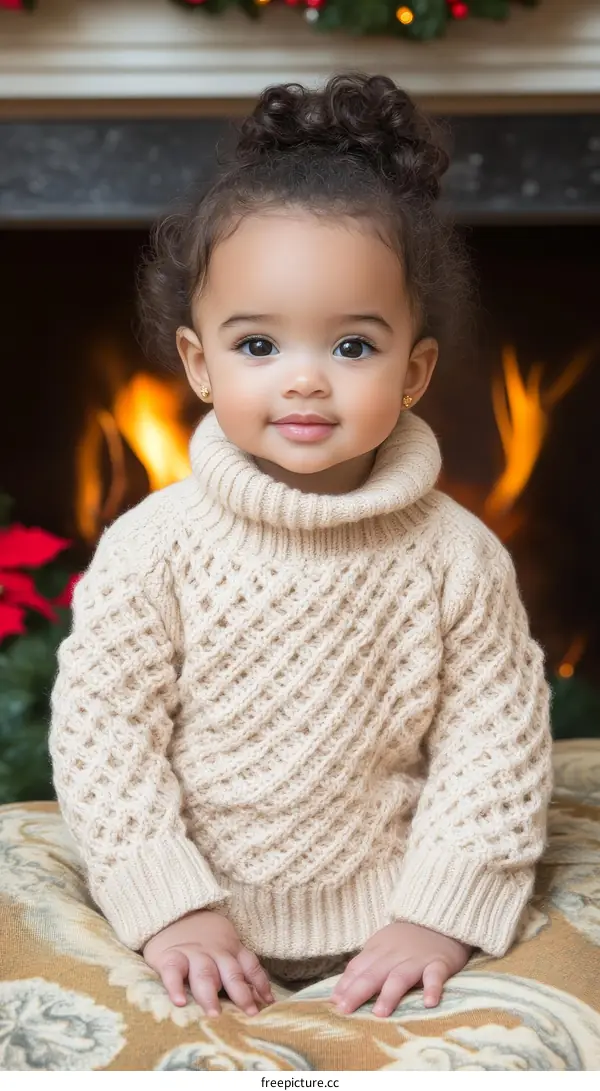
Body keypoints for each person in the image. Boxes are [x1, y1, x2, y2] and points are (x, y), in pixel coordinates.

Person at [49, 74, 552, 1022]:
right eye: (258, 345)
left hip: (394, 916)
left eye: (353, 347)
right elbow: (102, 729)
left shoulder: (458, 554)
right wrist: (171, 908)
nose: (307, 381)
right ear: (199, 364)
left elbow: (495, 743)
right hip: (197, 920)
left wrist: (438, 918)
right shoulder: (154, 546)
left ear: (415, 368)